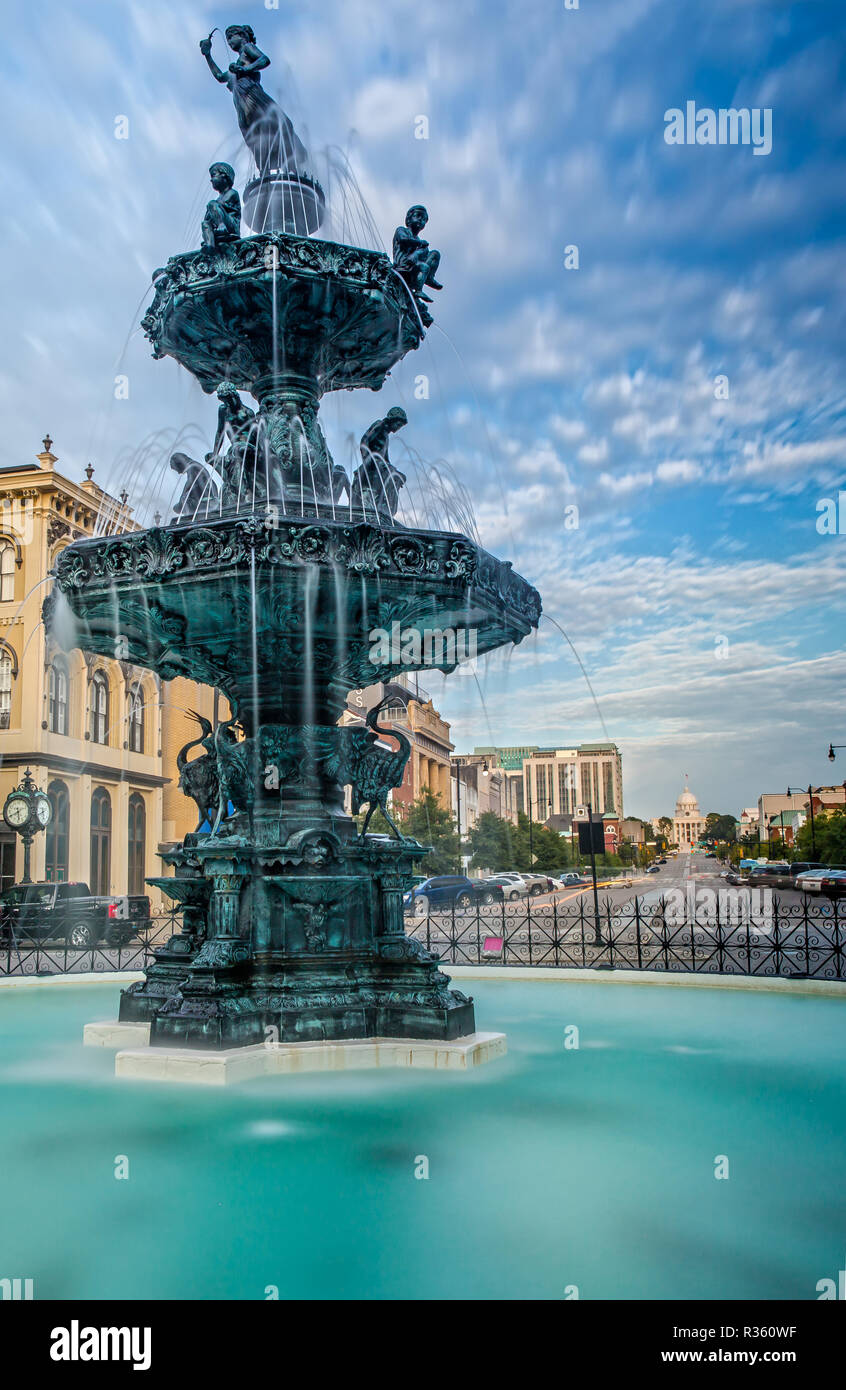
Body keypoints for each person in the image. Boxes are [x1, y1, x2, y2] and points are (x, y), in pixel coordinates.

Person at [199, 25, 307, 176]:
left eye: (231, 36)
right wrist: (208, 55)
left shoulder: (247, 48)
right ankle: (268, 169)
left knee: (279, 124)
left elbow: (264, 60)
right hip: (241, 103)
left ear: (242, 36)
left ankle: (289, 163)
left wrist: (246, 70)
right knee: (258, 138)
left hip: (252, 95)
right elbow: (220, 77)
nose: (229, 41)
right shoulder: (237, 64)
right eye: (228, 38)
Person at [352, 408, 408, 520]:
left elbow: (385, 457)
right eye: (398, 424)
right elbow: (364, 441)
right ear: (392, 419)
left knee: (399, 476)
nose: (398, 428)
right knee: (387, 471)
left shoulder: (386, 436)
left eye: (400, 426)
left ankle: (386, 505)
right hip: (372, 463)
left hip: (379, 464)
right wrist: (367, 459)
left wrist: (393, 469)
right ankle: (373, 500)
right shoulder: (380, 425)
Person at [392, 206, 442, 324]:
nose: (421, 221)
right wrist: (420, 245)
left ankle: (429, 277)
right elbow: (403, 240)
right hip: (402, 266)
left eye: (424, 219)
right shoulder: (402, 230)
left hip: (414, 267)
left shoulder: (419, 240)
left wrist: (420, 251)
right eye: (418, 216)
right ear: (409, 219)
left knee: (434, 254)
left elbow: (424, 254)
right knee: (423, 265)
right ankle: (418, 290)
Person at [201, 163, 241, 248]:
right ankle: (209, 246)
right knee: (205, 223)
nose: (211, 180)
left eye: (213, 175)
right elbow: (208, 217)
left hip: (231, 227)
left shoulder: (232, 193)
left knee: (212, 204)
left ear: (224, 175)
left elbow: (215, 207)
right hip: (217, 227)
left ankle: (222, 226)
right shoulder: (218, 200)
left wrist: (211, 208)